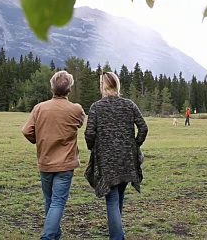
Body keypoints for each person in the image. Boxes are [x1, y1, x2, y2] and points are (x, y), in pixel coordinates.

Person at [21, 70, 86, 240]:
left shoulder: (39, 108)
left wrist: (40, 140)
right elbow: (80, 123)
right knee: (57, 202)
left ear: (52, 88)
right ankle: (48, 236)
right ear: (69, 89)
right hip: (65, 164)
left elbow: (27, 131)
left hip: (46, 161)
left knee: (49, 201)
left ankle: (55, 234)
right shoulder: (76, 109)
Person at [84, 71, 148, 240]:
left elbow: (89, 134)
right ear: (118, 86)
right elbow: (143, 128)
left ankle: (117, 236)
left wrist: (94, 148)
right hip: (127, 159)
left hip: (107, 161)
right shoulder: (129, 105)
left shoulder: (96, 107)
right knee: (118, 195)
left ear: (102, 86)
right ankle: (117, 231)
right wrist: (134, 146)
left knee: (112, 199)